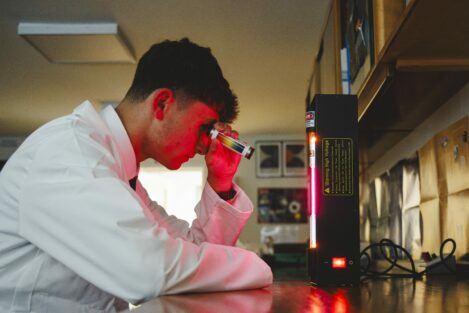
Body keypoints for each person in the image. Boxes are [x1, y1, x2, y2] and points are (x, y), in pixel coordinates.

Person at [0, 38, 273, 313]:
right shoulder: (70, 153)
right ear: (162, 104)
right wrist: (256, 265)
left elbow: (195, 256)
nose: (205, 146)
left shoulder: (121, 176)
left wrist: (221, 180)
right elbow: (150, 271)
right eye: (205, 129)